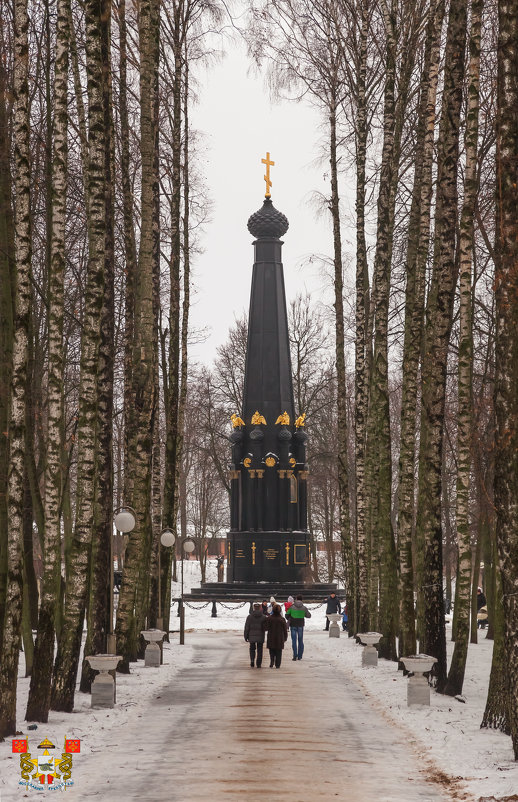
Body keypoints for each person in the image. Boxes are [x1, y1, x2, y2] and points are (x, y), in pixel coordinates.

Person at [286, 594, 312, 661]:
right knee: (300, 640)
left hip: (293, 625)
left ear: (296, 599)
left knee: (294, 641)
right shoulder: (304, 607)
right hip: (300, 625)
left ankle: (295, 655)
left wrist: (291, 616)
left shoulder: (292, 607)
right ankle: (300, 656)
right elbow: (309, 615)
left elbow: (286, 615)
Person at [244, 602, 267, 668]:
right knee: (260, 650)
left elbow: (247, 627)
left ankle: (252, 660)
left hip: (251, 636)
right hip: (260, 635)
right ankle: (259, 663)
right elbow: (265, 627)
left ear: (254, 608)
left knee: (252, 648)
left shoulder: (249, 617)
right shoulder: (263, 617)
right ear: (260, 608)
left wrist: (246, 636)